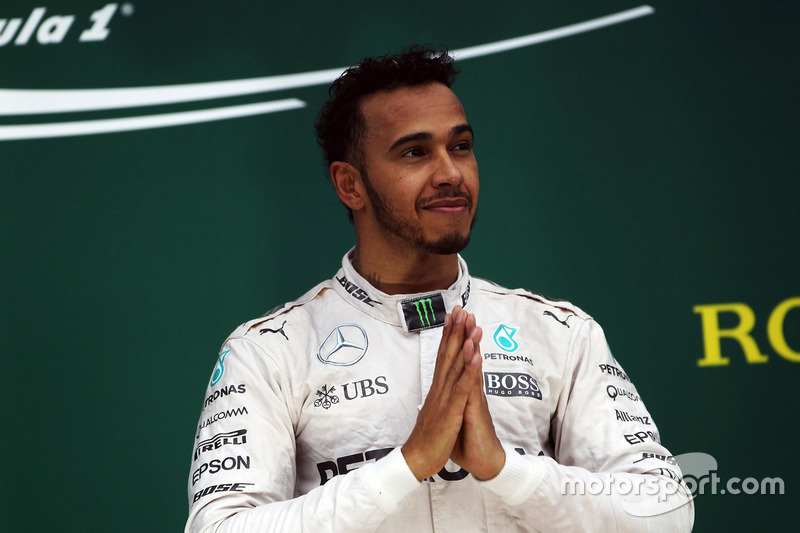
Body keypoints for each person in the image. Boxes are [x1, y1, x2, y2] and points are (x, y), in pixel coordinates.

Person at [185, 47, 694, 532]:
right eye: (414, 152)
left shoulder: (560, 333)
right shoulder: (267, 352)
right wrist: (405, 465)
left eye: (461, 146)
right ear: (350, 185)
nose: (450, 173)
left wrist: (504, 469)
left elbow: (666, 513)